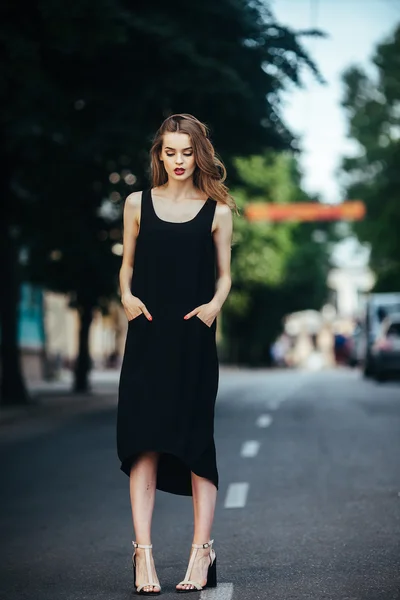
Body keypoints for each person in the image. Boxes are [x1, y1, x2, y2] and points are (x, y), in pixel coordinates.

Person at [117, 114, 235, 595]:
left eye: (188, 152)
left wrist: (213, 306)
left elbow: (225, 274)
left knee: (195, 445)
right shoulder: (136, 204)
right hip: (146, 335)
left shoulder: (218, 211)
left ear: (199, 154)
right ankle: (142, 555)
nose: (179, 161)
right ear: (159, 155)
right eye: (171, 152)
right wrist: (125, 296)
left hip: (193, 338)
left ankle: (200, 553)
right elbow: (126, 266)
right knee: (143, 442)